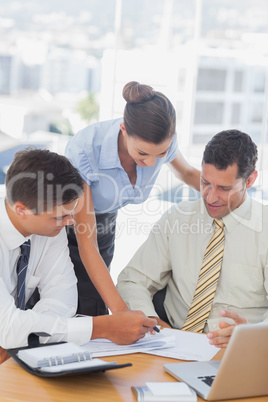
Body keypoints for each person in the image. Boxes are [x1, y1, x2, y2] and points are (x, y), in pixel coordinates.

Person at [0, 148, 157, 364]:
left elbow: (63, 302)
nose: (70, 222)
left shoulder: (51, 231)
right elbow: (8, 326)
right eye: (60, 217)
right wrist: (101, 328)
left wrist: (22, 336)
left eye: (70, 214)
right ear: (21, 209)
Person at [117, 129, 268, 348]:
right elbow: (132, 281)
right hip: (170, 343)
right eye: (205, 182)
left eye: (224, 188)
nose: (211, 196)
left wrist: (252, 336)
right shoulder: (177, 218)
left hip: (240, 351)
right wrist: (154, 324)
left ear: (250, 179)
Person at [65, 81, 200, 317]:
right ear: (124, 129)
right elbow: (87, 243)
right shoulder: (86, 149)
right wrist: (121, 313)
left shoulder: (162, 141)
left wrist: (226, 194)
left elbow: (187, 173)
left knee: (96, 304)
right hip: (65, 225)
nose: (151, 162)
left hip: (105, 221)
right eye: (143, 154)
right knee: (72, 301)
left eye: (160, 154)